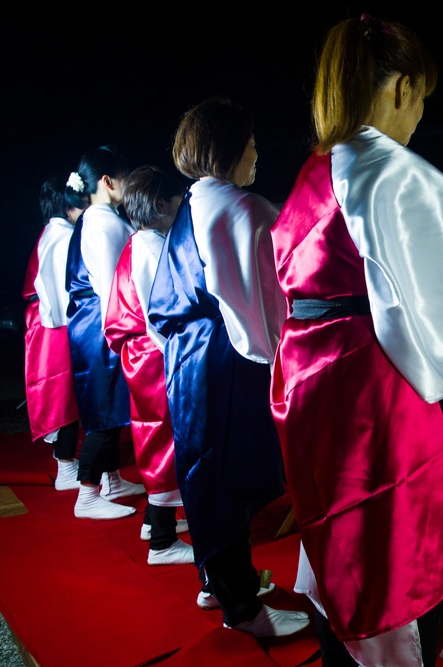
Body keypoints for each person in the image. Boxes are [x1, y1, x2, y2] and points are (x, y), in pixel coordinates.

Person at [267, 16, 443, 666]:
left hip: (309, 380)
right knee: (391, 565)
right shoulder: (391, 171)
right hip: (372, 388)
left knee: (340, 542)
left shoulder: (314, 171)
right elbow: (428, 316)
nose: (419, 117)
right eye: (422, 98)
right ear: (401, 87)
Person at [148, 97, 308, 637]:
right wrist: (286, 362)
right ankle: (243, 609)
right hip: (229, 364)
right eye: (252, 143)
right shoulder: (246, 210)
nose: (258, 153)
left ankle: (218, 585)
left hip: (186, 363)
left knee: (204, 475)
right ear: (229, 148)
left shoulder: (192, 206)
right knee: (232, 478)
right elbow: (269, 311)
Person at [104, 166, 192, 566]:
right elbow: (159, 314)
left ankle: (155, 523)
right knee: (165, 442)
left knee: (159, 439)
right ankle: (161, 539)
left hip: (144, 354)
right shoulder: (151, 246)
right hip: (154, 357)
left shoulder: (142, 240)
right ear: (161, 205)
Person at [65, 147, 144, 520]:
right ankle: (87, 493)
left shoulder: (95, 219)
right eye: (124, 178)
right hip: (103, 327)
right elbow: (114, 285)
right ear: (108, 181)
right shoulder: (103, 222)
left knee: (110, 405)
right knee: (105, 410)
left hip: (93, 325)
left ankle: (111, 480)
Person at [22, 177, 84, 490]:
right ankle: (65, 466)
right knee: (65, 394)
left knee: (62, 392)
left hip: (48, 321)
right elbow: (59, 288)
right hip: (56, 323)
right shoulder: (64, 235)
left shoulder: (54, 232)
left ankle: (66, 462)